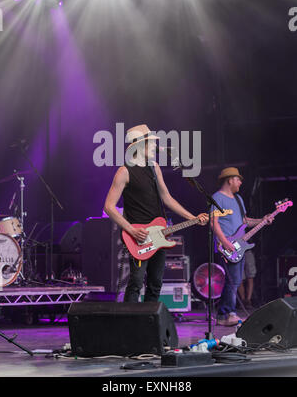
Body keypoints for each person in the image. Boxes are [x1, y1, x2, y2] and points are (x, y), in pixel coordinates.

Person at [104, 124, 208, 303]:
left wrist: (192, 217)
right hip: (138, 235)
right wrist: (131, 229)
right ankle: (128, 324)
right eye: (150, 143)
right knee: (136, 282)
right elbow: (109, 206)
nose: (154, 146)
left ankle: (148, 324)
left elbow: (167, 198)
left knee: (155, 282)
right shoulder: (124, 171)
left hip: (159, 233)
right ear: (139, 146)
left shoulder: (154, 167)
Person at [211, 167, 272, 326]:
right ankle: (228, 313)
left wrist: (262, 220)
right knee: (234, 280)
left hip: (239, 245)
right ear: (230, 180)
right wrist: (225, 242)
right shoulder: (217, 198)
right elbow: (213, 223)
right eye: (238, 179)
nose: (240, 182)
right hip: (226, 245)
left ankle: (223, 315)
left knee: (234, 281)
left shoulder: (238, 199)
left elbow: (245, 221)